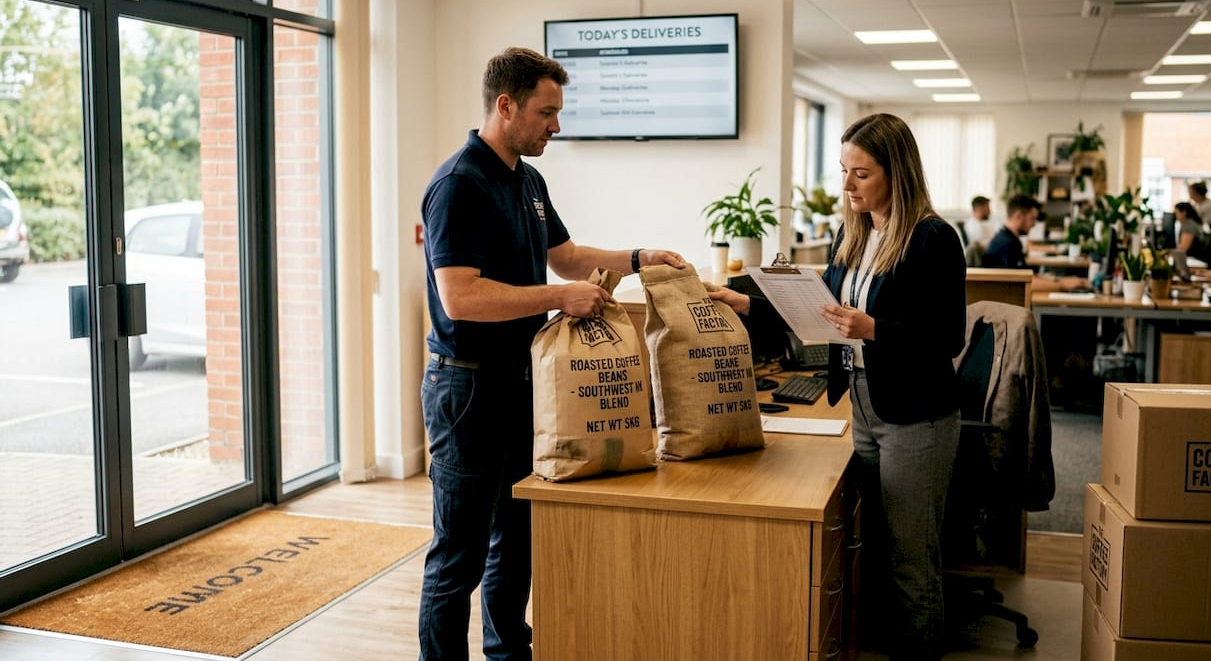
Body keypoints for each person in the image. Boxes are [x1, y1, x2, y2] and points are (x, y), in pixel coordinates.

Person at [417, 46, 684, 661]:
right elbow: (461, 298)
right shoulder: (459, 184)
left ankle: (509, 654)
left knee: (517, 539)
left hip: (524, 381)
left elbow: (566, 258)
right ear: (505, 106)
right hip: (468, 389)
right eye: (546, 112)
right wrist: (560, 297)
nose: (556, 126)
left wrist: (640, 258)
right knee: (457, 557)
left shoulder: (528, 180)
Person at [708, 113, 964, 660]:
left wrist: (874, 329)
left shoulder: (932, 238)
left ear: (897, 173)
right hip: (866, 406)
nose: (846, 187)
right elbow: (815, 312)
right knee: (878, 545)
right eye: (843, 171)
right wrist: (747, 304)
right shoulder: (855, 237)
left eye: (861, 174)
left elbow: (946, 335)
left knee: (910, 557)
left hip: (916, 414)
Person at [983, 193, 1089, 292]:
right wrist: (1062, 284)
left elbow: (1025, 276)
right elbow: (1020, 284)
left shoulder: (1009, 239)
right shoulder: (1006, 244)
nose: (1034, 224)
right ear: (1018, 216)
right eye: (1032, 219)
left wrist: (1057, 280)